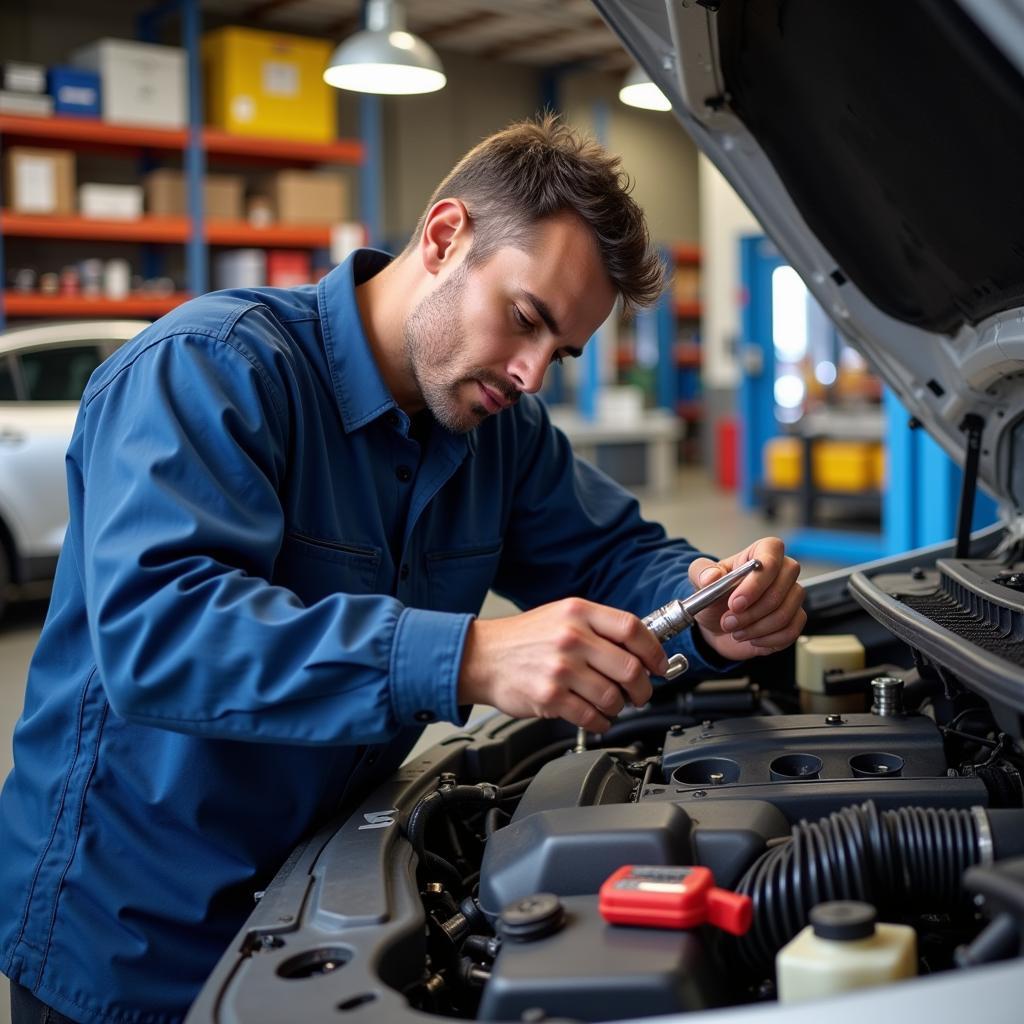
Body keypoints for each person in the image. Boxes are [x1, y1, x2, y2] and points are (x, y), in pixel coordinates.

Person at [0, 114, 804, 1024]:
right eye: (526, 319)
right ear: (444, 235)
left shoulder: (500, 432)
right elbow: (163, 635)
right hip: (131, 936)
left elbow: (615, 555)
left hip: (313, 899)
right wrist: (467, 657)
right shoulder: (213, 369)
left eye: (561, 351)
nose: (535, 373)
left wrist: (706, 596)